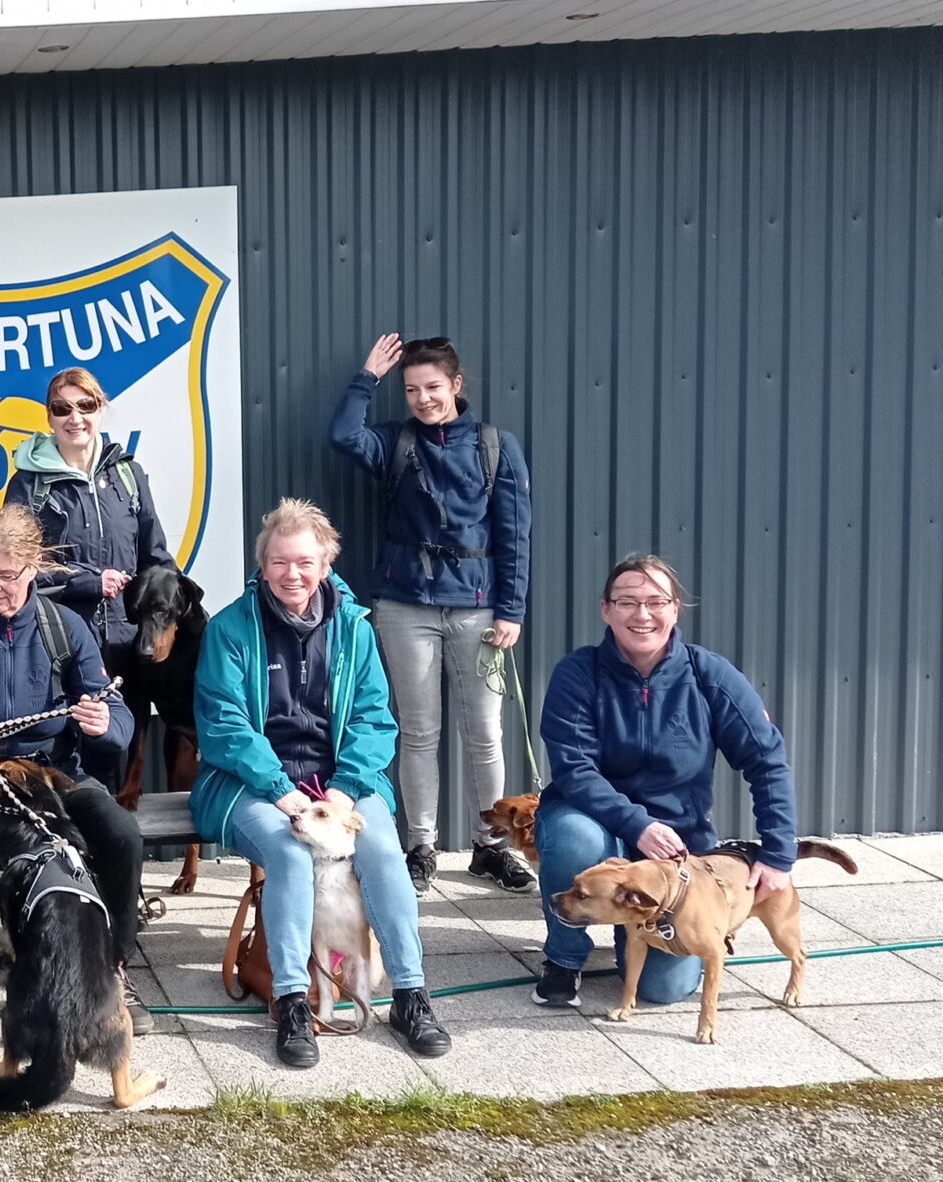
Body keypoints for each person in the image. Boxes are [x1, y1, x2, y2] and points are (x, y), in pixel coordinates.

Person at [189, 499, 451, 1068]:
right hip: (248, 784)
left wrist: (345, 788)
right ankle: (291, 1002)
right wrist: (279, 789)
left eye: (305, 562)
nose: (292, 574)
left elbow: (375, 720)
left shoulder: (354, 629)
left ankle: (410, 993)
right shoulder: (230, 629)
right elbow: (223, 724)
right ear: (262, 565)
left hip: (338, 785)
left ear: (326, 565)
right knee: (287, 852)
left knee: (383, 851)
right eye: (279, 562)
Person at [0, 505, 148, 1052]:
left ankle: (112, 969)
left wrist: (104, 724)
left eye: (6, 575)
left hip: (53, 774)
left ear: (33, 568)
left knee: (122, 834)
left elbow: (119, 718)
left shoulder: (66, 628)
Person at [531, 555, 798, 1009]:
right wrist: (636, 825)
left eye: (656, 601)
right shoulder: (578, 673)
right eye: (627, 601)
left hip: (676, 843)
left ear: (675, 609)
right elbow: (575, 768)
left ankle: (633, 933)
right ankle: (564, 958)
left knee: (664, 990)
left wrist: (777, 854)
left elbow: (766, 760)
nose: (642, 614)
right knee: (573, 838)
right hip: (593, 821)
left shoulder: (710, 675)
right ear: (606, 610)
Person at [328, 334, 536, 894]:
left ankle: (491, 847)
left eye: (433, 387)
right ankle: (420, 847)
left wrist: (511, 609)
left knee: (484, 733)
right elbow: (343, 434)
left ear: (456, 385)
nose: (423, 399)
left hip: (478, 608)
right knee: (418, 732)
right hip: (405, 605)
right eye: (412, 389)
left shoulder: (495, 446)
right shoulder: (395, 442)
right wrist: (367, 378)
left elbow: (516, 535)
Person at [3, 367, 175, 792]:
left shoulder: (128, 476)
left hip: (123, 645)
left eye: (86, 405)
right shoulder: (28, 485)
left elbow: (156, 559)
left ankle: (106, 834)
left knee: (111, 759)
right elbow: (15, 568)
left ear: (101, 409)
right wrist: (88, 582)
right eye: (62, 408)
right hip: (55, 645)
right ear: (49, 417)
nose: (74, 417)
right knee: (57, 760)